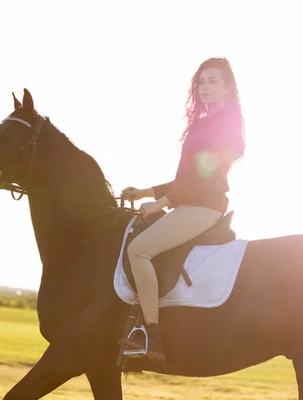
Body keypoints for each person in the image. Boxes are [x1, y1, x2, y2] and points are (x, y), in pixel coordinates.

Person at [121, 57, 246, 361]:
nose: (205, 87)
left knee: (138, 250)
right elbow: (187, 176)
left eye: (213, 81)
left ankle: (151, 337)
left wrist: (160, 204)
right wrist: (146, 192)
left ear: (228, 88)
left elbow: (204, 175)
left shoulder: (224, 124)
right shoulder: (204, 123)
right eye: (201, 82)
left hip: (203, 206)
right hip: (191, 202)